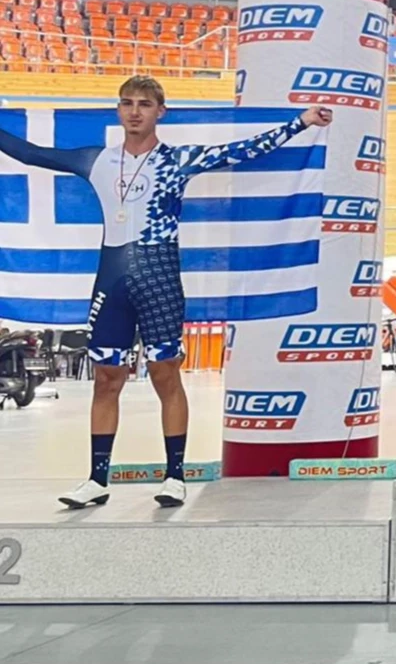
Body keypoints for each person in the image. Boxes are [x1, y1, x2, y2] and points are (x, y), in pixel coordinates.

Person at [0, 75, 330, 509]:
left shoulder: (178, 160)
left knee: (165, 374)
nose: (134, 111)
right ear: (118, 110)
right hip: (111, 282)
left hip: (160, 281)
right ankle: (97, 480)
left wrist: (300, 122)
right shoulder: (96, 159)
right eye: (127, 103)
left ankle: (175, 476)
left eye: (144, 104)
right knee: (106, 379)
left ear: (161, 112)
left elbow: (243, 150)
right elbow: (31, 153)